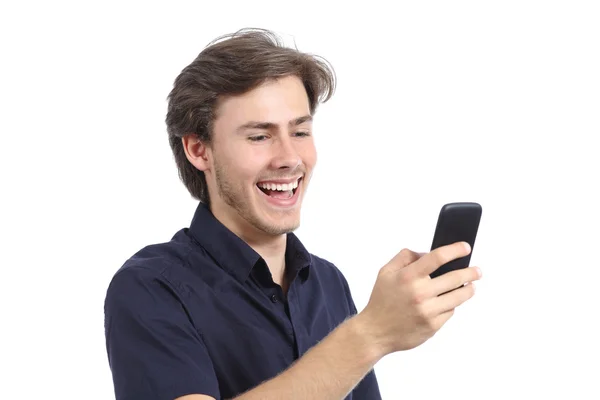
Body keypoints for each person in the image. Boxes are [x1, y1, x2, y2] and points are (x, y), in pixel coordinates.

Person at [103, 28, 482, 400]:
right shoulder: (150, 287)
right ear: (199, 151)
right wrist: (372, 333)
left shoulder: (329, 284)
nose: (289, 158)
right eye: (259, 136)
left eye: (300, 132)